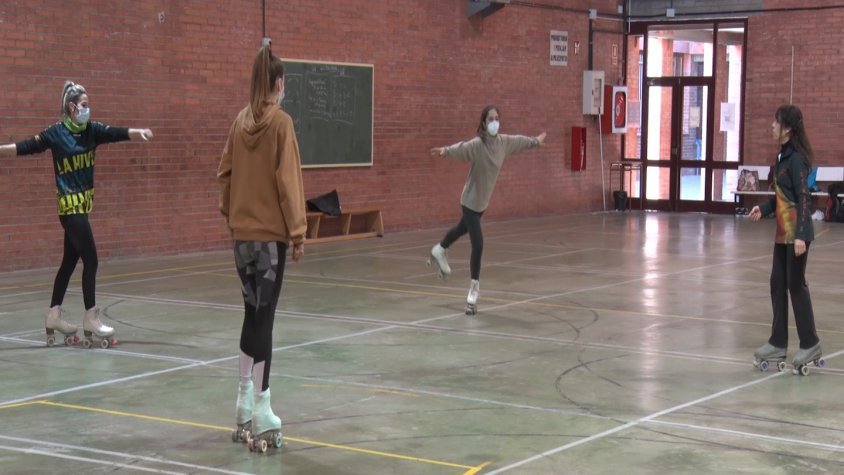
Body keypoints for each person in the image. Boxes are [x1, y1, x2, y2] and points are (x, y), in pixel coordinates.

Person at [0, 81, 153, 348]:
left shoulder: (92, 131)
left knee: (69, 263)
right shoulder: (56, 133)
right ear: (72, 107)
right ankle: (91, 317)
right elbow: (26, 146)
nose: (87, 109)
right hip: (69, 209)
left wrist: (136, 132)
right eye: (84, 104)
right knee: (91, 260)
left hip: (83, 207)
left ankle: (54, 315)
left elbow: (115, 132)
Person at [217, 45, 306, 452]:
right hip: (270, 239)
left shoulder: (239, 122)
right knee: (265, 319)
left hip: (242, 239)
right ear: (278, 83)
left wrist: (234, 213)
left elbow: (224, 173)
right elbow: (288, 182)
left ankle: (242, 401)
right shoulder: (281, 124)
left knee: (251, 314)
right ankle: (263, 406)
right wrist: (298, 232)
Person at [429, 105, 545, 315]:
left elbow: (520, 141)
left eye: (497, 118)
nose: (494, 122)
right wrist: (445, 151)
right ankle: (473, 289)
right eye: (490, 119)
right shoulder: (477, 145)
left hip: (482, 204)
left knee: (461, 229)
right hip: (469, 202)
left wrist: (535, 141)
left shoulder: (504, 143)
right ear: (484, 123)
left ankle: (440, 248)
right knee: (479, 244)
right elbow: (461, 149)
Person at [749, 104, 822, 375]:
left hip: (797, 234)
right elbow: (782, 196)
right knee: (777, 283)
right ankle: (778, 342)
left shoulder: (797, 159)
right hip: (782, 233)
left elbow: (803, 197)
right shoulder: (782, 157)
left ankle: (810, 343)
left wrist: (801, 234)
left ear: (788, 128)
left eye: (776, 122)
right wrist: (764, 208)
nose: (772, 126)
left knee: (795, 285)